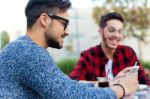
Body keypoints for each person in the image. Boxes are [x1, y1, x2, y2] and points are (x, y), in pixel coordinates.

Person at [0, 0, 138, 99]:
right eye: (64, 23)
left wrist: (111, 83)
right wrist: (122, 89)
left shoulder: (25, 48)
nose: (68, 31)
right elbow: (70, 95)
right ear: (44, 19)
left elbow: (68, 86)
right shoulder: (28, 53)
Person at [70, 12, 150, 85]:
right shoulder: (88, 56)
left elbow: (144, 81)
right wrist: (108, 83)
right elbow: (74, 82)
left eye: (120, 31)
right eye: (111, 30)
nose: (116, 35)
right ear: (100, 31)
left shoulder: (128, 52)